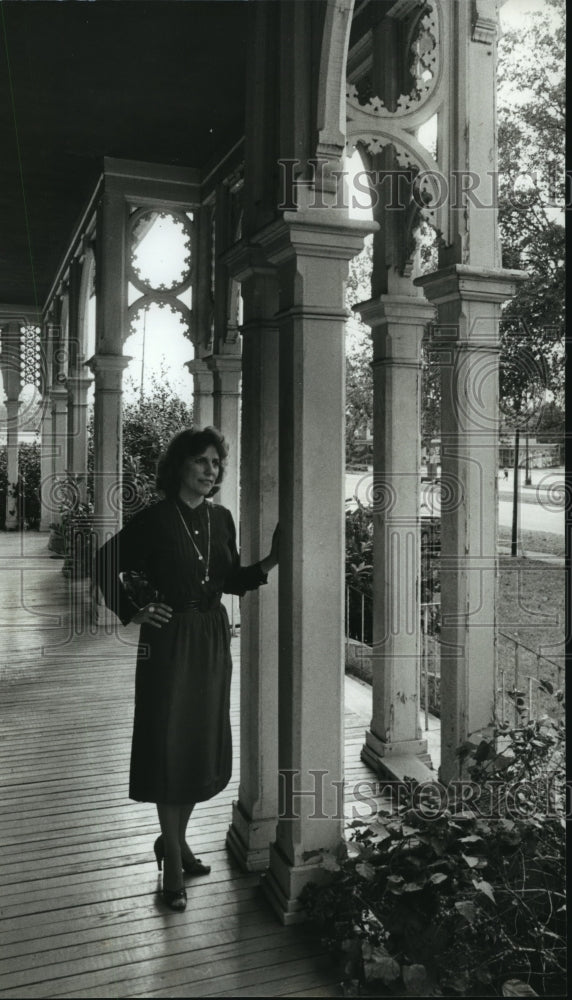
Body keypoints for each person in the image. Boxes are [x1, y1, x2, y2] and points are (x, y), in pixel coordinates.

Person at [95, 426, 279, 911]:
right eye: (201, 461)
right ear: (179, 466)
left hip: (212, 637)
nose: (210, 471)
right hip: (170, 640)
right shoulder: (153, 520)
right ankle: (172, 859)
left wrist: (272, 561)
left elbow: (231, 579)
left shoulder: (222, 519)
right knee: (168, 743)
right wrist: (131, 609)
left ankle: (173, 842)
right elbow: (103, 562)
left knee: (199, 741)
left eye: (216, 464)